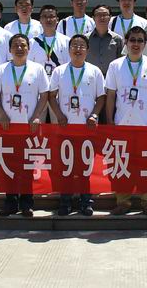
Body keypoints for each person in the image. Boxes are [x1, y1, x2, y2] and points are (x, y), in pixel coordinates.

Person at [104, 26, 147, 216]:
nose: (136, 44)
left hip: (146, 124)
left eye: (140, 40)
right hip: (122, 124)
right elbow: (111, 95)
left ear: (145, 44)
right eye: (132, 40)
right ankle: (123, 201)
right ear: (126, 42)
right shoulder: (115, 65)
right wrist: (110, 121)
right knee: (121, 164)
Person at [0, 34, 51, 217]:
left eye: (23, 45)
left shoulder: (37, 69)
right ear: (9, 49)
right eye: (15, 45)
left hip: (28, 127)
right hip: (7, 127)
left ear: (28, 49)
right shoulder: (1, 69)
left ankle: (26, 203)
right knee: (9, 166)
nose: (19, 48)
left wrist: (36, 116)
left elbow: (44, 95)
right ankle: (10, 203)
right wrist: (1, 114)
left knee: (27, 167)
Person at [47, 34, 105, 216]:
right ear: (69, 49)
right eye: (74, 45)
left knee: (85, 167)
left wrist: (94, 115)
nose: (78, 49)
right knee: (66, 167)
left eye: (81, 46)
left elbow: (101, 97)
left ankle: (86, 201)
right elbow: (51, 96)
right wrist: (59, 115)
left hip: (87, 128)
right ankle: (65, 202)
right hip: (65, 127)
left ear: (87, 50)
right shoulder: (59, 71)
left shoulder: (95, 71)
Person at [29, 4, 71, 78]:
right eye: (45, 16)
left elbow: (69, 65)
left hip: (60, 82)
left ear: (57, 20)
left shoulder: (67, 41)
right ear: (40, 20)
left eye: (51, 16)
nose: (48, 19)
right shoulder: (32, 42)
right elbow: (29, 67)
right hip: (39, 82)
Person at [86, 4, 125, 76]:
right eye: (98, 15)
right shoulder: (85, 39)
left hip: (111, 78)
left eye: (105, 14)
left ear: (110, 17)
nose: (102, 17)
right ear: (93, 18)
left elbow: (121, 61)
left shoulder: (117, 39)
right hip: (90, 77)